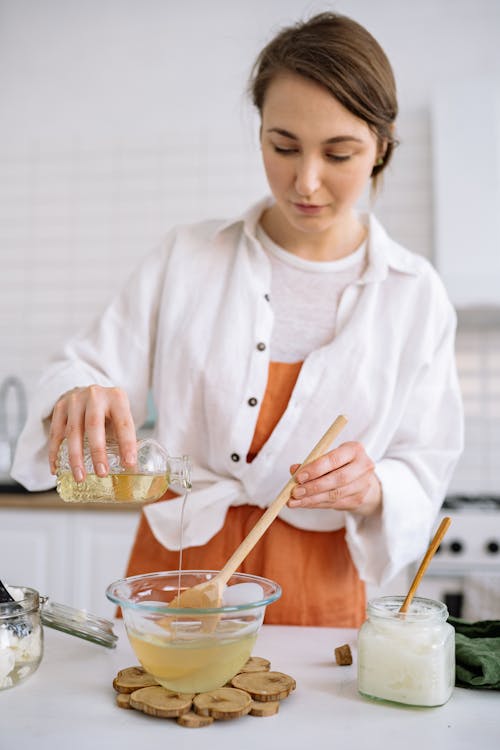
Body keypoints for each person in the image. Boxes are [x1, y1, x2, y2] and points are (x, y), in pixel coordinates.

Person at [12, 12, 463, 627]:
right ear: (259, 136)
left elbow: (424, 461)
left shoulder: (416, 296)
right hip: (176, 569)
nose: (306, 181)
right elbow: (82, 365)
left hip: (320, 589)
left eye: (338, 153)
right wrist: (78, 393)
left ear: (381, 146)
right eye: (284, 146)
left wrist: (373, 486)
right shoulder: (188, 257)